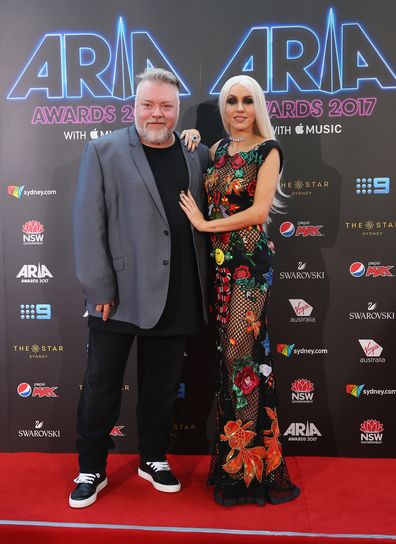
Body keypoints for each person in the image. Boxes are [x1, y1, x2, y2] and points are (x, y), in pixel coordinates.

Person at [71, 67, 209, 508]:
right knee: (102, 383)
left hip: (177, 291)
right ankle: (91, 466)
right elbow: (88, 224)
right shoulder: (103, 150)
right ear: (134, 106)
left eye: (166, 106)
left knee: (163, 385)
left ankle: (153, 457)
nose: (157, 113)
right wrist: (98, 289)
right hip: (118, 295)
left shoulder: (197, 155)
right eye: (148, 104)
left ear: (176, 110)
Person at [180, 75, 301, 506]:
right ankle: (239, 461)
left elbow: (259, 210)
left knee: (240, 357)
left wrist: (207, 225)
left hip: (249, 267)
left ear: (258, 107)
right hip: (219, 270)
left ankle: (248, 473)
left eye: (248, 101)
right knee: (233, 362)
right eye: (231, 101)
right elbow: (192, 166)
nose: (239, 108)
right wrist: (189, 138)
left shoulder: (269, 151)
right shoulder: (216, 151)